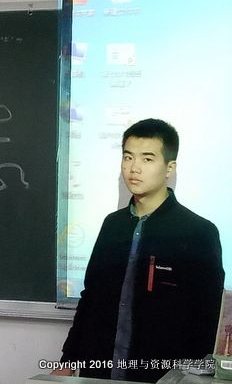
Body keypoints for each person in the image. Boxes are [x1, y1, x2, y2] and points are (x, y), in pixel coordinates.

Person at [54, 118, 224, 382]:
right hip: (100, 371)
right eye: (128, 157)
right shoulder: (112, 225)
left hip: (163, 375)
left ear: (169, 167)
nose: (134, 168)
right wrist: (68, 360)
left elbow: (208, 318)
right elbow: (91, 299)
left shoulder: (198, 232)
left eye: (147, 159)